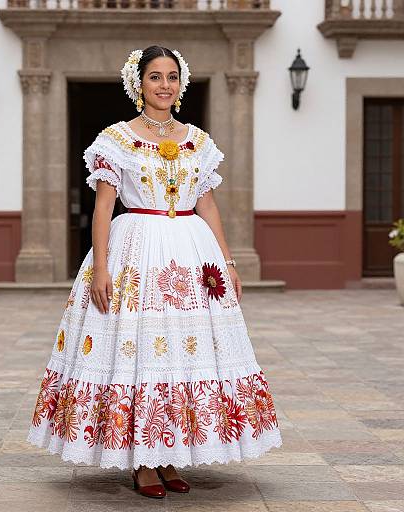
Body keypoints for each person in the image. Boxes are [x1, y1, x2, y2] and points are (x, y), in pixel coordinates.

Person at [26, 45, 283, 499]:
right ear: (138, 83)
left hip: (190, 252)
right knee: (140, 346)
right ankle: (143, 460)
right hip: (135, 254)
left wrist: (227, 260)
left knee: (182, 350)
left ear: (180, 84)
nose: (164, 85)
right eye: (154, 77)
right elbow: (103, 207)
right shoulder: (116, 139)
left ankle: (168, 455)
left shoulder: (198, 141)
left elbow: (206, 203)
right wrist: (101, 268)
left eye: (171, 77)